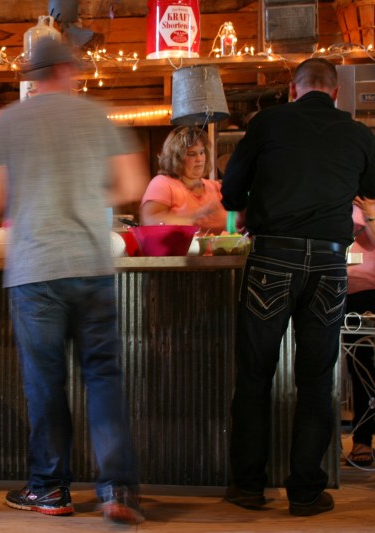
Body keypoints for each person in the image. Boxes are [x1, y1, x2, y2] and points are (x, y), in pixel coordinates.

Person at [0, 37, 149, 525]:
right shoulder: (98, 117)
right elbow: (132, 187)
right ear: (69, 69)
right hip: (91, 264)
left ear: (31, 75)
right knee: (104, 379)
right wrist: (88, 193)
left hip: (35, 270)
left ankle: (50, 491)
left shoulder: (4, 123)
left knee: (46, 383)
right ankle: (120, 491)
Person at [221, 58, 375, 516]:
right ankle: (306, 492)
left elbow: (230, 193)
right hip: (329, 261)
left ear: (293, 88)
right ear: (336, 93)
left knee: (255, 375)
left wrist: (258, 198)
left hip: (274, 256)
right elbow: (369, 187)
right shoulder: (358, 132)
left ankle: (248, 487)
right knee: (315, 379)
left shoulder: (268, 122)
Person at [140, 126, 227, 234]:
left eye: (202, 152)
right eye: (192, 154)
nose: (199, 159)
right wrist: (195, 219)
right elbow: (150, 222)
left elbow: (235, 224)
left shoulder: (216, 187)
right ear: (176, 158)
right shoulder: (162, 184)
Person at [343, 196, 375, 467]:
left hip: (373, 290)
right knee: (360, 367)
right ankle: (362, 439)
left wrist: (370, 216)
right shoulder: (342, 198)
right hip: (350, 292)